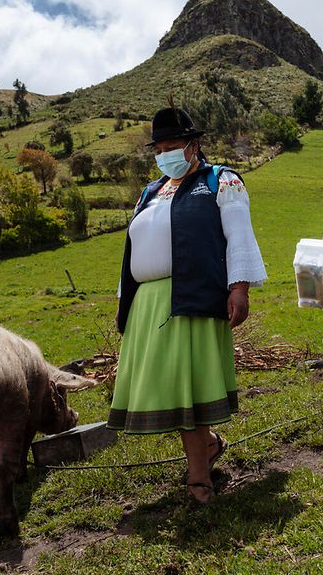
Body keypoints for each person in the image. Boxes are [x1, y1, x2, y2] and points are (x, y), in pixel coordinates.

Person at [108, 107, 267, 504]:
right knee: (171, 390)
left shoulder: (220, 180)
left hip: (191, 297)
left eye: (173, 146)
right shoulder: (149, 192)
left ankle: (199, 477)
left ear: (194, 145)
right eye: (159, 148)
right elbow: (135, 248)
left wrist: (239, 288)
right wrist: (125, 302)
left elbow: (239, 236)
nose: (166, 154)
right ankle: (209, 447)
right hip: (149, 304)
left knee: (188, 392)